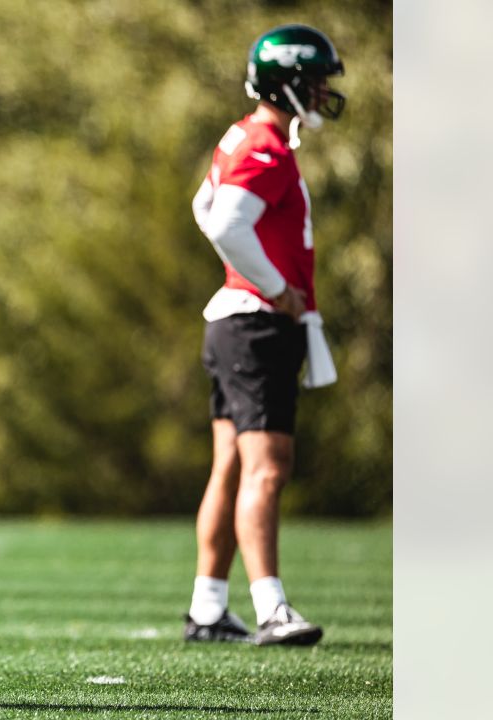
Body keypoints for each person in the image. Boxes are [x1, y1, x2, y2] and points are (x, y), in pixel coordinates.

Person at [183, 25, 345, 646]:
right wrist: (274, 287)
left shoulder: (241, 136)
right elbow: (225, 223)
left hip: (231, 321)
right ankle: (272, 607)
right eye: (317, 79)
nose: (324, 90)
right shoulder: (267, 147)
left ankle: (207, 608)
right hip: (255, 325)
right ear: (291, 82)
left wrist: (248, 278)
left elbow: (204, 208)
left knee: (230, 466)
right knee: (268, 469)